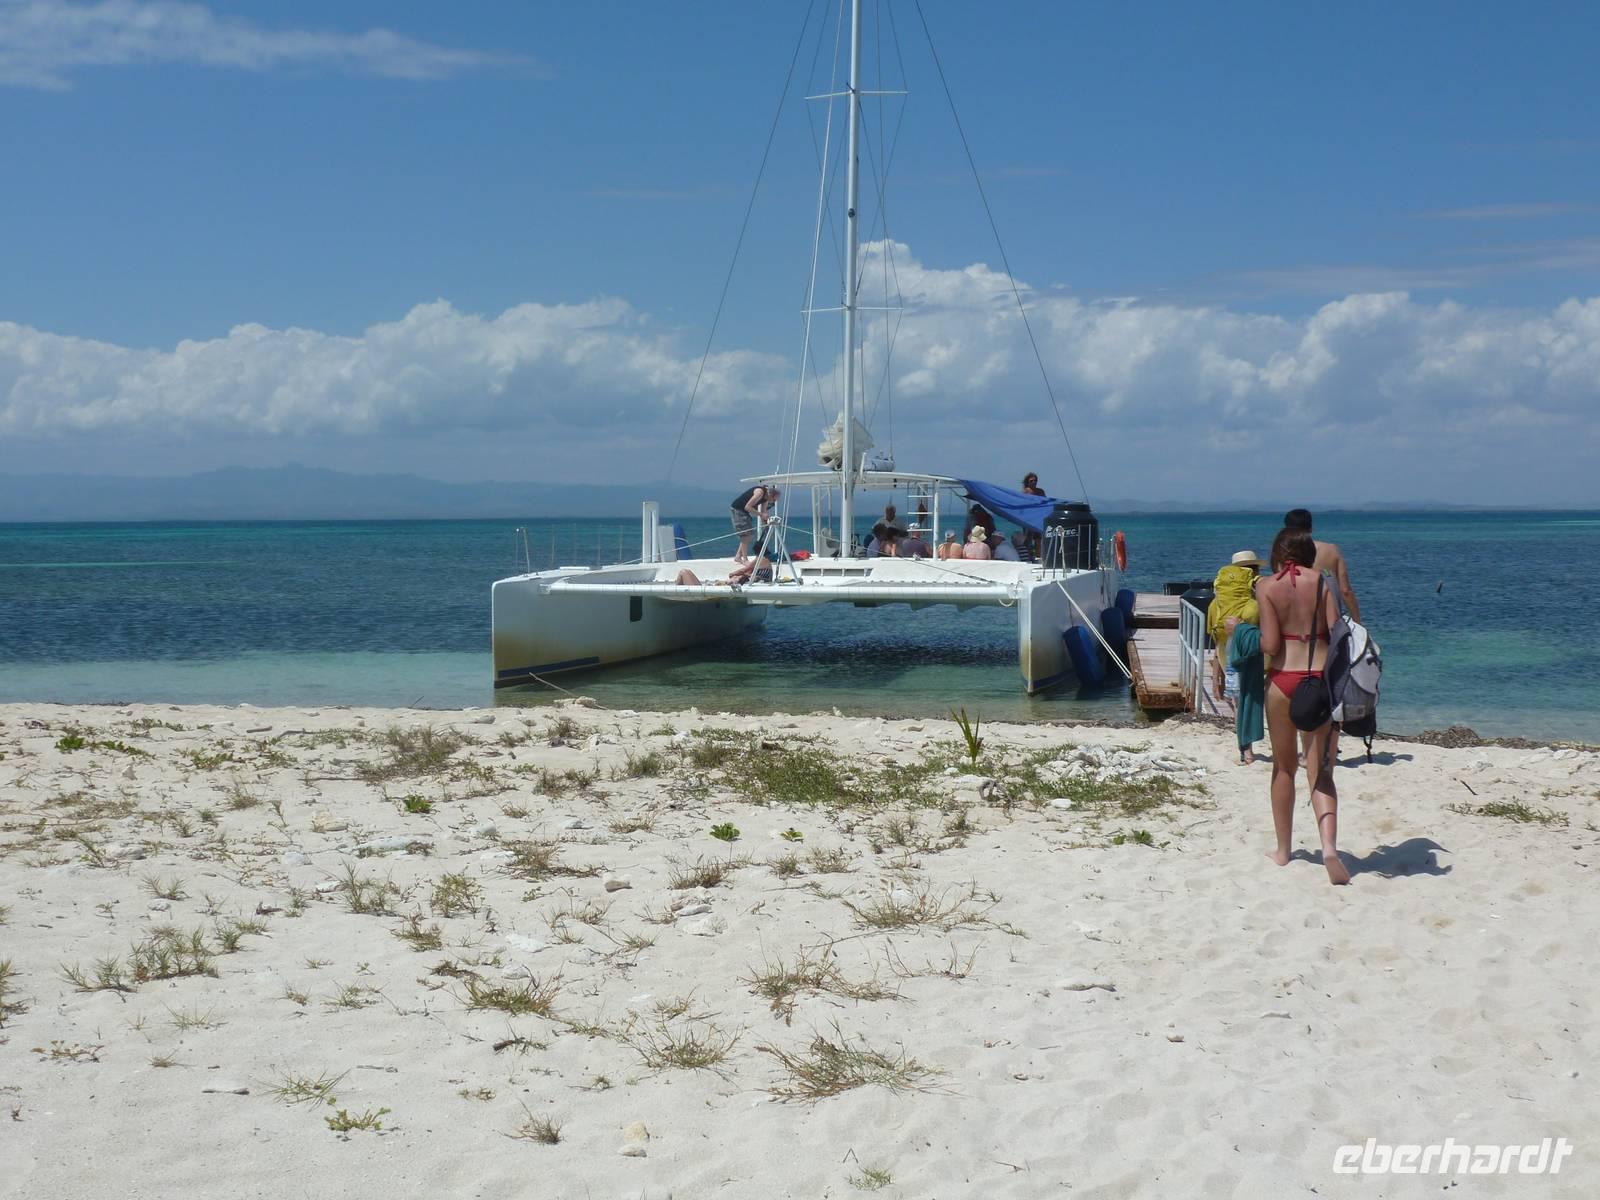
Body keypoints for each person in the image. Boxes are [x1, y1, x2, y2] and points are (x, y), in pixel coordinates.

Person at [1258, 526, 1349, 885]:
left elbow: (1269, 644)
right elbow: (1336, 631)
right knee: (1320, 770)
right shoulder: (1323, 584)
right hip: (1318, 682)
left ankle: (1284, 851)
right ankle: (1328, 847)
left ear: (1278, 553)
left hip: (1282, 681)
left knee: (1283, 768)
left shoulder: (1265, 587)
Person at [1208, 550, 1264, 763]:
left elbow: (1216, 641)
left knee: (1239, 705)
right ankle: (1250, 750)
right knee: (1256, 703)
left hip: (1229, 661)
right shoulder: (1255, 606)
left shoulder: (1217, 604)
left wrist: (1216, 678)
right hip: (1255, 660)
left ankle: (1245, 750)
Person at [1283, 509, 1359, 620]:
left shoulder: (1282, 554)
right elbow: (1345, 591)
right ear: (1310, 528)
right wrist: (1358, 623)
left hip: (1294, 617)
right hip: (1326, 616)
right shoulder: (1331, 550)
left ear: (1286, 531)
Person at [730, 484, 778, 563]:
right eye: (773, 500)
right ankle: (745, 559)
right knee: (746, 535)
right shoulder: (760, 493)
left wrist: (766, 524)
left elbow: (764, 511)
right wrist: (761, 515)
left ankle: (738, 556)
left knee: (749, 534)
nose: (773, 502)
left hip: (744, 511)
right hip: (738, 509)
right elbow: (747, 507)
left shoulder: (766, 498)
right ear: (770, 495)